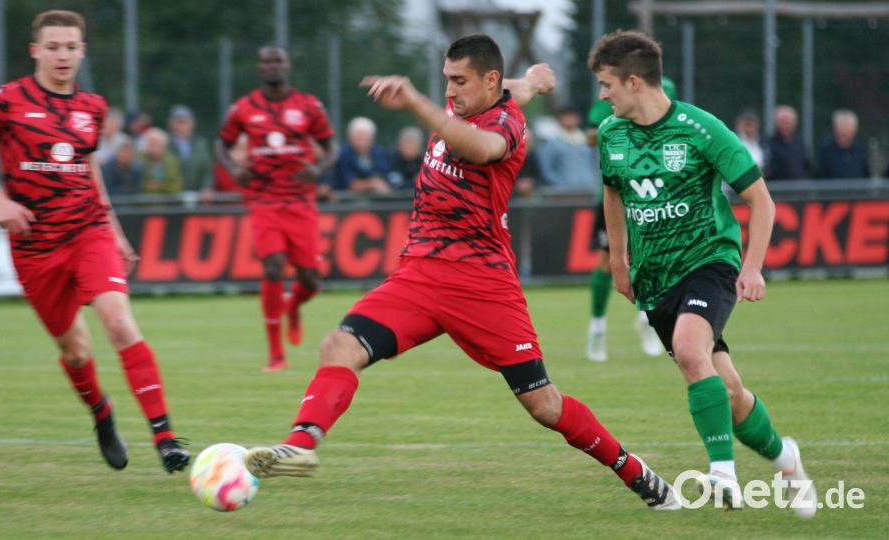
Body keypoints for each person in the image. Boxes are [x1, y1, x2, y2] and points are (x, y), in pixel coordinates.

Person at [241, 34, 681, 511]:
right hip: (420, 273)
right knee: (340, 345)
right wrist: (533, 78)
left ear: (487, 81)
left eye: (459, 81)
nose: (450, 92)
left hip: (482, 284)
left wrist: (415, 102)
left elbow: (480, 146)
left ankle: (634, 471)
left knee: (544, 406)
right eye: (445, 80)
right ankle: (301, 446)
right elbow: (513, 86)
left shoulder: (504, 125)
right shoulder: (483, 93)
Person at [0, 9, 189, 474]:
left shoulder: (92, 107)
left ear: (82, 52)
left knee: (118, 321)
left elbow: (89, 168)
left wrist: (113, 230)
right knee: (75, 351)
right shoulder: (6, 101)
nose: (62, 55)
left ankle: (166, 438)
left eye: (70, 47)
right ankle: (101, 412)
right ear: (36, 50)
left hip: (88, 231)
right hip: (35, 247)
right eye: (53, 47)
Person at [590, 30, 815, 516]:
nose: (602, 96)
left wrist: (751, 267)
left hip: (709, 262)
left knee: (693, 353)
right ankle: (785, 457)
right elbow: (613, 192)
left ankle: (722, 474)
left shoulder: (701, 128)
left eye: (607, 85)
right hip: (654, 277)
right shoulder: (611, 134)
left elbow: (761, 200)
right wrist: (617, 260)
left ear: (633, 81)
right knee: (727, 391)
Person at [216, 45, 339, 372]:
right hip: (264, 199)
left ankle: (294, 306)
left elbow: (331, 147)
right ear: (260, 68)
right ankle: (276, 354)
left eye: (278, 61)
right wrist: (234, 169)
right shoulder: (244, 108)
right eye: (267, 62)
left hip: (300, 200)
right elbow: (221, 144)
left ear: (287, 66)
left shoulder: (308, 106)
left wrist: (317, 169)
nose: (273, 66)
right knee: (272, 268)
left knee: (311, 280)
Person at [582, 83, 674, 362]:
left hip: (653, 192)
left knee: (652, 258)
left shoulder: (665, 87)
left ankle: (647, 321)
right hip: (615, 194)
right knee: (607, 262)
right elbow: (589, 136)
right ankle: (597, 327)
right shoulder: (612, 92)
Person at [536, 106, 597, 193]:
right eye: (566, 117)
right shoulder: (552, 143)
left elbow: (596, 163)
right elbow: (546, 169)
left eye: (572, 117)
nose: (569, 120)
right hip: (564, 193)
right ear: (560, 120)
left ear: (578, 119)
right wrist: (560, 184)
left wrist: (594, 182)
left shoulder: (588, 140)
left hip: (589, 190)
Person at [332, 117, 392, 195]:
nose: (362, 142)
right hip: (346, 202)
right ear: (350, 138)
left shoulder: (378, 153)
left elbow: (385, 176)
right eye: (359, 138)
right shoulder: (342, 155)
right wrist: (372, 184)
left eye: (365, 138)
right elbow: (349, 183)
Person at [167, 104, 214, 196]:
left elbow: (207, 169)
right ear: (171, 123)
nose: (181, 126)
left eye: (184, 122)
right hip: (172, 197)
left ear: (192, 123)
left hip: (198, 197)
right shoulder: (165, 143)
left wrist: (207, 187)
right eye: (178, 122)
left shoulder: (201, 144)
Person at [815, 108, 870, 179]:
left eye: (848, 127)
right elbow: (819, 175)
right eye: (842, 126)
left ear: (855, 129)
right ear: (835, 128)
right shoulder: (826, 150)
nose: (845, 131)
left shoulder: (861, 150)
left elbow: (866, 174)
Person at [765, 105, 811, 180]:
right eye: (782, 122)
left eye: (788, 122)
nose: (785, 125)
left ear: (794, 123)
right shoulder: (769, 144)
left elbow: (807, 166)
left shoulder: (800, 143)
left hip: (800, 188)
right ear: (776, 123)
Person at [139, 127, 183, 194]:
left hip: (167, 202)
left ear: (165, 147)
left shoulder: (172, 161)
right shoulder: (137, 159)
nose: (154, 149)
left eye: (157, 145)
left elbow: (176, 185)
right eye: (151, 145)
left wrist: (159, 186)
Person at [387, 126, 424, 190]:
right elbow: (396, 184)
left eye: (413, 145)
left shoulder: (425, 161)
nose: (410, 147)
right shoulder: (391, 159)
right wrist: (415, 182)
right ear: (399, 145)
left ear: (419, 147)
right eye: (407, 143)